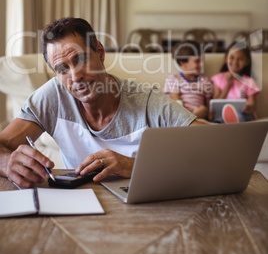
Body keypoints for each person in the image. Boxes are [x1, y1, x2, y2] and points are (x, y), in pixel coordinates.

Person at [0, 17, 203, 189]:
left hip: (141, 207)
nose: (76, 76)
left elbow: (211, 145)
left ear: (100, 53)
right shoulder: (52, 96)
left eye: (81, 60)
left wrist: (136, 165)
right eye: (62, 69)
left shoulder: (146, 99)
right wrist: (7, 161)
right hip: (78, 207)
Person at [210, 41, 260, 123]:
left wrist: (248, 108)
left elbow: (253, 105)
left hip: (244, 114)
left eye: (240, 59)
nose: (235, 62)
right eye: (232, 57)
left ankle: (233, 121)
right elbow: (216, 102)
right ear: (226, 59)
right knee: (218, 118)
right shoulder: (218, 78)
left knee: (240, 116)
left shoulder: (249, 81)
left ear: (247, 62)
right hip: (223, 113)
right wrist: (228, 84)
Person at [163, 40, 212, 119]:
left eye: (203, 60)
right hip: (180, 113)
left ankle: (190, 120)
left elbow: (209, 105)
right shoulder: (173, 79)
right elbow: (176, 101)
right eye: (197, 61)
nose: (202, 64)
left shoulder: (204, 81)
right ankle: (188, 119)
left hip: (199, 115)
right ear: (183, 62)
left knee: (203, 110)